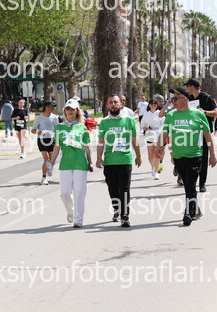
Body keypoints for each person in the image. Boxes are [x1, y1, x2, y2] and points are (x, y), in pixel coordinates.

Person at [156, 88, 217, 226]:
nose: (173, 101)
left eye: (175, 98)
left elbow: (208, 136)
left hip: (195, 155)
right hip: (178, 157)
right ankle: (197, 210)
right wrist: (160, 147)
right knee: (188, 186)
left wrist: (212, 155)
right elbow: (164, 133)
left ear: (185, 99)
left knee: (190, 184)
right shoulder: (171, 115)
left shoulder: (198, 114)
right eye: (172, 99)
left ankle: (188, 213)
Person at [96, 94, 142, 228]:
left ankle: (125, 215)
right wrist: (99, 158)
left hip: (125, 159)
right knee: (112, 188)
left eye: (116, 102)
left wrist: (138, 155)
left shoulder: (129, 120)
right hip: (110, 161)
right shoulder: (104, 122)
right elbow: (101, 142)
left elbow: (134, 140)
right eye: (110, 102)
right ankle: (116, 208)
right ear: (107, 106)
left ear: (121, 104)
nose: (113, 104)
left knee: (125, 188)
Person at [49, 99, 93, 228]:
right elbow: (57, 147)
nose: (70, 111)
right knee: (65, 193)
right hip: (65, 164)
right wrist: (51, 163)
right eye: (68, 109)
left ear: (76, 111)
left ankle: (78, 219)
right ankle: (71, 211)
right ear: (65, 111)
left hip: (80, 164)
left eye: (72, 109)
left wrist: (90, 162)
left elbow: (87, 147)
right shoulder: (59, 127)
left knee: (79, 192)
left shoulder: (82, 127)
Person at [185, 78, 217, 193]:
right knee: (192, 158)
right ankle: (192, 181)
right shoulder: (189, 99)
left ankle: (202, 183)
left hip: (204, 132)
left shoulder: (206, 97)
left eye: (187, 86)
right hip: (192, 132)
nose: (186, 88)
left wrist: (204, 112)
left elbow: (215, 112)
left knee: (203, 158)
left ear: (192, 86)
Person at [31, 101, 60, 185]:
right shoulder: (39, 118)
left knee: (52, 159)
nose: (53, 108)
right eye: (52, 106)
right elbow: (33, 130)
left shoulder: (55, 117)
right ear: (47, 107)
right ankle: (44, 178)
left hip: (52, 139)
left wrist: (58, 140)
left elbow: (57, 129)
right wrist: (38, 132)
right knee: (46, 159)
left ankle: (50, 167)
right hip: (42, 140)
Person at [140, 99, 164, 179]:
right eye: (151, 104)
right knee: (150, 156)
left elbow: (163, 124)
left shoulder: (160, 113)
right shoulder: (146, 114)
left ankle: (156, 172)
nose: (153, 105)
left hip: (158, 136)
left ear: (156, 105)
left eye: (155, 104)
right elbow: (142, 125)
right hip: (149, 136)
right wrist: (146, 128)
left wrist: (161, 131)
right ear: (149, 105)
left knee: (157, 154)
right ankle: (153, 167)